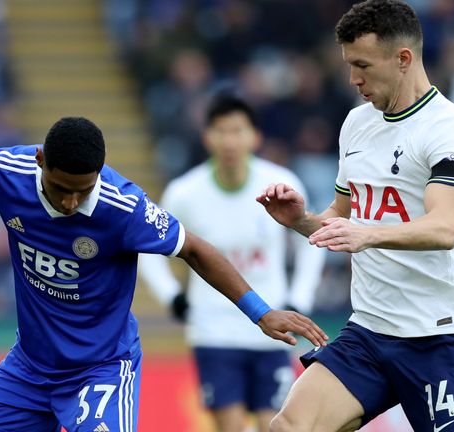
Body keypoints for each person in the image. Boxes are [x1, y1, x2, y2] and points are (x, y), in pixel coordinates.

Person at [0, 116, 328, 432]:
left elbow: (194, 248)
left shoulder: (123, 207)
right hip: (30, 367)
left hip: (102, 369)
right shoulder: (4, 171)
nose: (72, 202)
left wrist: (260, 312)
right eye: (61, 189)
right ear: (39, 160)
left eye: (82, 189)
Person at [256, 1, 454, 431]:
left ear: (403, 59)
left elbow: (445, 227)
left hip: (438, 336)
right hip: (369, 332)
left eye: (362, 64)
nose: (353, 79)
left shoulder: (448, 128)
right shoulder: (356, 125)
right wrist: (301, 220)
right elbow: (344, 219)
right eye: (348, 65)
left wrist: (367, 234)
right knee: (289, 427)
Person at [139, 93, 326, 432]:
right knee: (231, 427)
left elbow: (313, 241)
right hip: (214, 331)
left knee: (277, 425)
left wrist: (300, 297)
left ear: (255, 136)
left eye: (238, 131)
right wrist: (173, 298)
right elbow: (147, 250)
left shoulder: (281, 185)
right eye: (221, 131)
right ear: (206, 137)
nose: (229, 140)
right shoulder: (185, 193)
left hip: (272, 330)